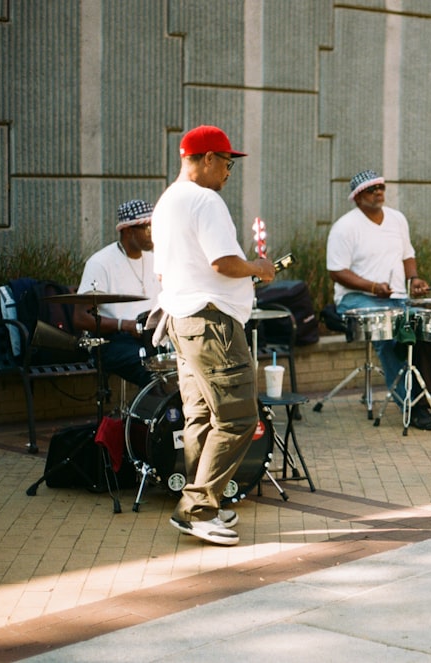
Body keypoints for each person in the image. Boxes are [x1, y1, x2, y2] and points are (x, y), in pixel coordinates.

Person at [152, 125, 279, 546]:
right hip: (212, 325)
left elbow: (165, 271)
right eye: (227, 163)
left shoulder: (167, 202)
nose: (228, 172)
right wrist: (258, 268)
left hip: (183, 320)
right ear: (207, 159)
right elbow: (224, 262)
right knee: (240, 417)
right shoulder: (205, 200)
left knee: (202, 417)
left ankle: (201, 501)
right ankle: (198, 508)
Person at [326, 169, 431, 431]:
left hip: (395, 299)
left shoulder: (397, 219)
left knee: (423, 335)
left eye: (381, 187)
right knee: (391, 339)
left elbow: (407, 255)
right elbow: (336, 270)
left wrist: (413, 279)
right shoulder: (345, 227)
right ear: (357, 197)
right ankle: (412, 408)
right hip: (357, 299)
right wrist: (372, 287)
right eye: (371, 189)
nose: (379, 192)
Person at [73, 200, 162, 389]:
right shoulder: (101, 263)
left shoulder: (156, 260)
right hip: (112, 342)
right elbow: (80, 318)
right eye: (146, 228)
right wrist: (124, 325)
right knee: (153, 369)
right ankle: (150, 418)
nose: (153, 233)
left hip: (151, 338)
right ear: (128, 230)